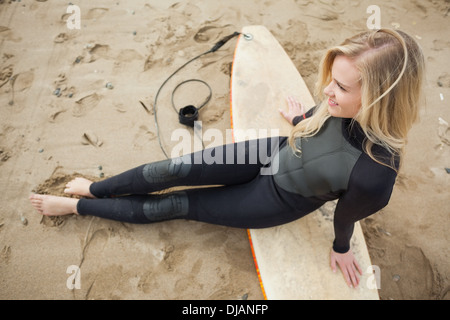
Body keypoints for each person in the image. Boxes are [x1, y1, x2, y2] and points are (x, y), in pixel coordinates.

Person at [29, 28, 425, 289]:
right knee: (172, 169)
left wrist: (341, 247)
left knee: (176, 204)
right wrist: (302, 118)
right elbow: (322, 120)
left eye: (339, 87)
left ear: (379, 98)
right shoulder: (336, 106)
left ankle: (78, 207)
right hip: (272, 151)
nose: (325, 91)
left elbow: (345, 215)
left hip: (277, 200)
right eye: (329, 79)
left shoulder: (376, 173)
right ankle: (97, 188)